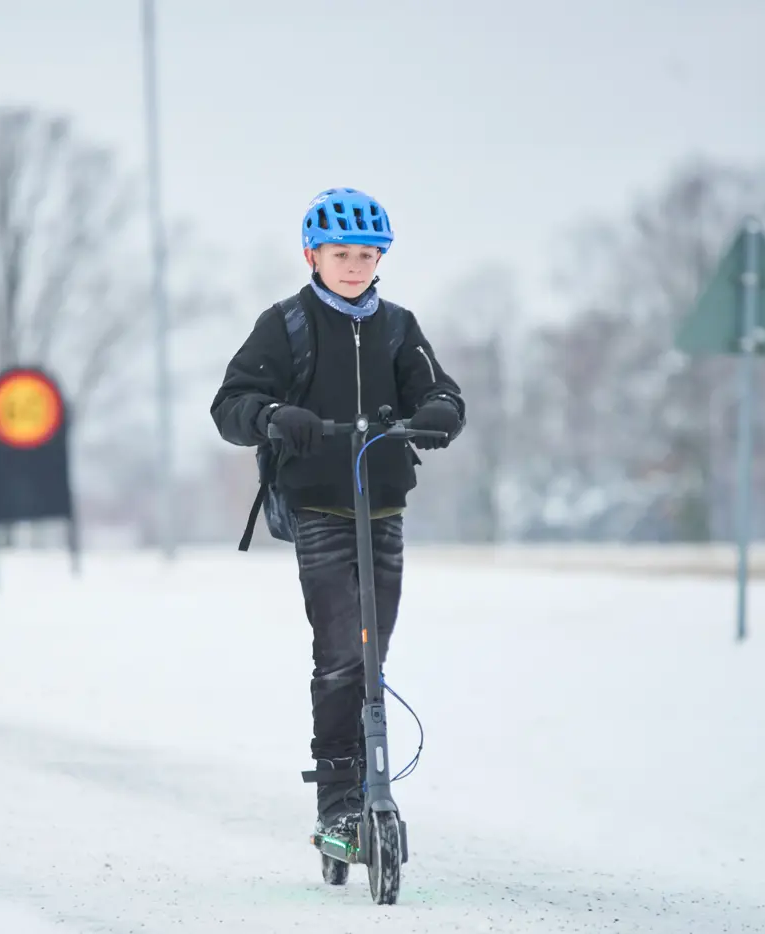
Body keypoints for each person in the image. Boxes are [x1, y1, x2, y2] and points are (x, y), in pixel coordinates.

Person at [209, 187, 465, 839]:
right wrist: (272, 417)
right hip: (317, 506)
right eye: (340, 254)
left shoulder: (399, 328)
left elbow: (439, 389)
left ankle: (372, 788)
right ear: (312, 256)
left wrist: (437, 414)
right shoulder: (286, 326)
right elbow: (232, 403)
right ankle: (339, 801)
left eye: (366, 254)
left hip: (382, 505)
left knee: (371, 651)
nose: (354, 267)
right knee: (342, 655)